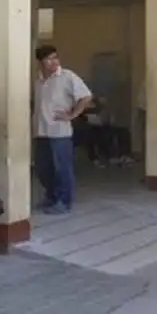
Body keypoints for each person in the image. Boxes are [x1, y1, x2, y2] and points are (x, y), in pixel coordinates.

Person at [33, 45, 92, 214]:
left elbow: (86, 96)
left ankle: (64, 201)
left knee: (62, 168)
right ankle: (51, 196)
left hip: (60, 132)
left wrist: (73, 114)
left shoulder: (67, 76)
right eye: (49, 58)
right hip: (40, 131)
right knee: (43, 168)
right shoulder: (38, 81)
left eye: (56, 57)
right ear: (40, 62)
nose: (54, 62)